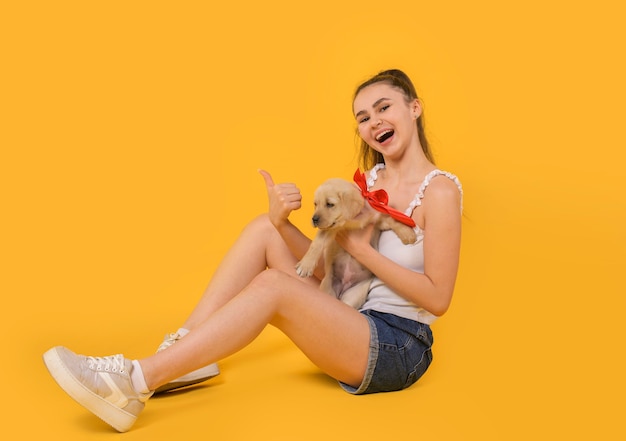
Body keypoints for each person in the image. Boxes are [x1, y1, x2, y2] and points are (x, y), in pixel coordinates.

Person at [43, 69, 464, 432]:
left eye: (384, 107)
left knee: (274, 287)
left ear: (414, 108)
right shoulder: (366, 183)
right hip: (349, 314)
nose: (374, 122)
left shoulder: (440, 191)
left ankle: (134, 381)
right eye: (363, 116)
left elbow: (438, 299)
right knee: (265, 228)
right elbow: (335, 263)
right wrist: (283, 223)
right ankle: (185, 354)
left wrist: (362, 250)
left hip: (397, 345)